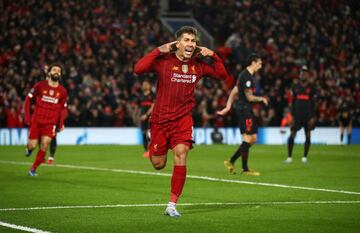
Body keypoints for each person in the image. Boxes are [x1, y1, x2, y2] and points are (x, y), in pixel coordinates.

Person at [134, 26, 228, 217]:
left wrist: (215, 56)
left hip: (183, 119)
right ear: (177, 43)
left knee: (181, 152)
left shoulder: (199, 65)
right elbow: (138, 69)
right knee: (158, 164)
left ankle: (172, 204)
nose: (190, 44)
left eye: (193, 41)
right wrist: (157, 50)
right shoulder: (163, 61)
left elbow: (222, 75)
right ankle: (156, 147)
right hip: (160, 120)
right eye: (186, 40)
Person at [218, 53, 268, 176]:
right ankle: (245, 169)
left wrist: (228, 106)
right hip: (244, 109)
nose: (261, 66)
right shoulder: (247, 76)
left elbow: (235, 90)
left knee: (253, 138)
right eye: (259, 63)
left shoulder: (244, 75)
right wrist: (262, 99)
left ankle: (231, 161)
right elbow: (249, 97)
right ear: (253, 62)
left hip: (246, 109)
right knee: (247, 138)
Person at [24, 63, 68, 176]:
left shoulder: (62, 91)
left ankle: (33, 169)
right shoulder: (39, 86)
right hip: (37, 120)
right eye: (54, 70)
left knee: (44, 144)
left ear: (61, 74)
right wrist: (28, 117)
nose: (57, 72)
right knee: (32, 145)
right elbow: (28, 100)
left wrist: (61, 123)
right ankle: (29, 149)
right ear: (49, 73)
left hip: (50, 123)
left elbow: (63, 109)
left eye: (59, 71)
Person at [284, 65, 316, 164]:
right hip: (296, 115)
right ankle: (289, 157)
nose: (302, 74)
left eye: (305, 73)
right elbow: (291, 102)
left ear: (308, 75)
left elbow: (314, 103)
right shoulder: (295, 87)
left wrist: (312, 117)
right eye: (301, 73)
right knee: (292, 134)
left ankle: (304, 157)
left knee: (308, 134)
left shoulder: (312, 87)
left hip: (307, 115)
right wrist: (291, 115)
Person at [136, 79, 155, 157]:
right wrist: (137, 115)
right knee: (143, 134)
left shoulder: (153, 95)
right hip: (142, 117)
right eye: (143, 84)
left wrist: (146, 115)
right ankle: (146, 151)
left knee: (149, 134)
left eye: (146, 84)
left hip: (150, 117)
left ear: (149, 86)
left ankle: (152, 150)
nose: (144, 86)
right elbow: (138, 107)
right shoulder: (140, 96)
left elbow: (153, 106)